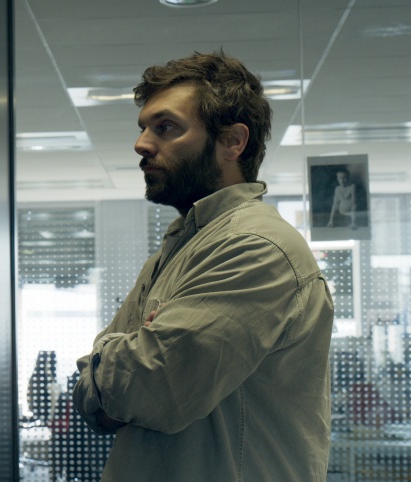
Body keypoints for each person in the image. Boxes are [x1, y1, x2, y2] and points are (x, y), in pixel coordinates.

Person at [72, 51, 334, 481]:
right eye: (143, 128)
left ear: (233, 141)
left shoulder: (255, 247)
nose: (141, 144)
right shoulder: (176, 251)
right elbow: (92, 394)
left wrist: (112, 356)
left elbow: (151, 391)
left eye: (166, 127)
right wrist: (120, 359)